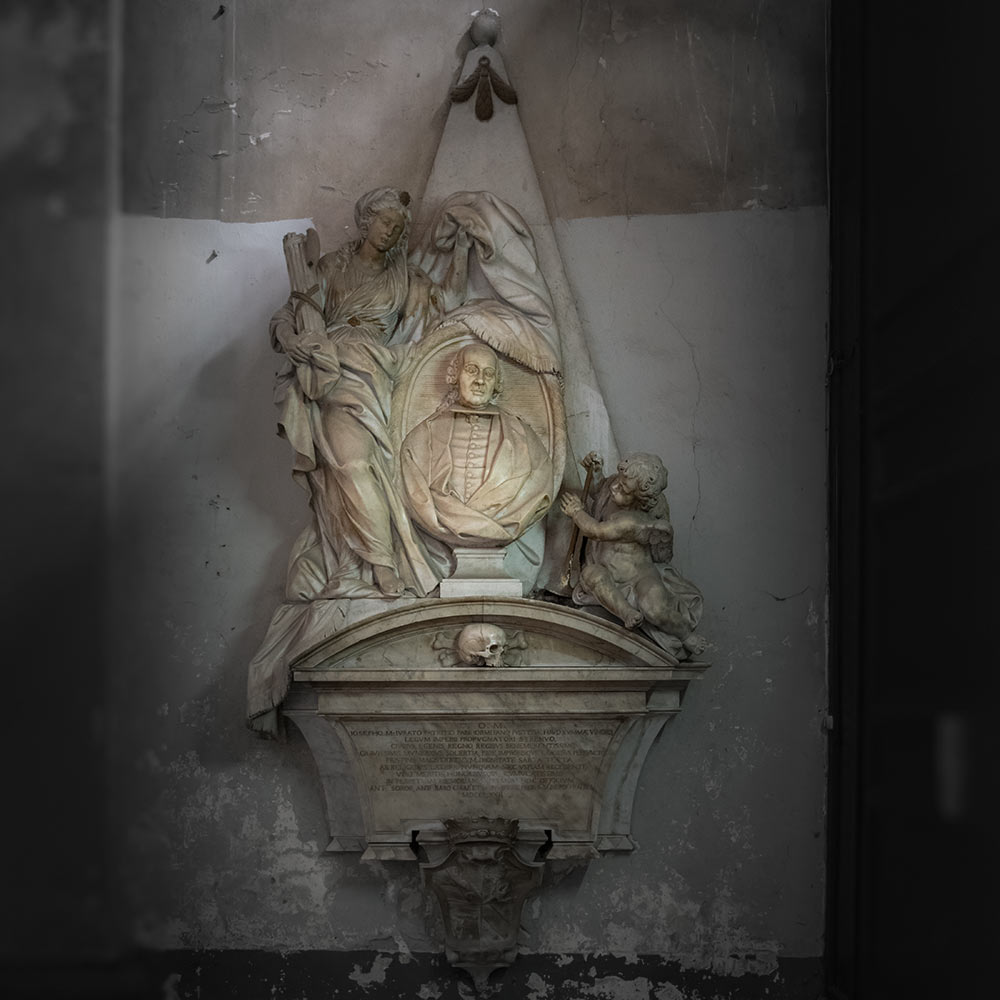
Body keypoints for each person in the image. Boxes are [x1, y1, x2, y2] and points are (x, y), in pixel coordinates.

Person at [269, 187, 462, 599]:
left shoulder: (406, 278)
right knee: (349, 465)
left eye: (397, 227)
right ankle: (373, 564)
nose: (390, 231)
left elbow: (438, 320)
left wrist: (462, 250)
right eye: (385, 221)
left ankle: (377, 561)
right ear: (365, 221)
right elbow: (288, 315)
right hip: (328, 370)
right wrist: (293, 341)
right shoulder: (329, 267)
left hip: (376, 374)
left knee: (367, 465)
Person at [400, 343, 554, 547]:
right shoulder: (423, 437)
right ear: (456, 375)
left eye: (488, 374)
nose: (480, 381)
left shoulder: (523, 438)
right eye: (472, 370)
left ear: (496, 383)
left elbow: (541, 485)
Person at [560, 451, 705, 656]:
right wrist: (596, 473)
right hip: (608, 572)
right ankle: (627, 612)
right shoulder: (616, 487)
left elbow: (596, 531)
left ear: (641, 500)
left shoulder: (633, 520)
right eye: (618, 480)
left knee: (655, 607)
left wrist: (576, 512)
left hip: (640, 577)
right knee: (591, 575)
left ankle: (684, 635)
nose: (615, 487)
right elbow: (598, 492)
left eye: (624, 488)